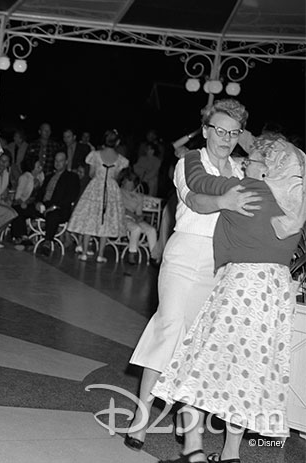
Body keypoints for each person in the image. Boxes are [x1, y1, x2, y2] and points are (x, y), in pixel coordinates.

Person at [152, 133, 306, 463]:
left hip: (243, 285)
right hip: (277, 290)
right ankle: (230, 455)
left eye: (250, 161)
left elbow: (198, 184)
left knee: (195, 364)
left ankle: (193, 453)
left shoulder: (245, 191)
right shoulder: (294, 202)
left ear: (267, 170)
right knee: (247, 374)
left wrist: (193, 152)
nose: (243, 162)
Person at [125, 99, 260, 457]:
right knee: (169, 329)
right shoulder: (189, 161)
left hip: (221, 262)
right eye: (219, 130)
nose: (225, 138)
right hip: (185, 255)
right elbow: (197, 199)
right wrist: (228, 200)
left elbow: (274, 163)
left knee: (198, 346)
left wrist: (251, 149)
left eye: (233, 132)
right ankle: (140, 418)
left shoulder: (243, 168)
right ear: (204, 130)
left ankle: (190, 431)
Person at [67, 129, 129, 262]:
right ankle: (100, 254)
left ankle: (84, 252)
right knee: (106, 221)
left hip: (95, 187)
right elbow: (117, 176)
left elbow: (91, 173)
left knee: (90, 218)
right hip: (111, 190)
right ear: (117, 142)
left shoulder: (94, 155)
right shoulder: (121, 160)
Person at [119, 168, 160, 264]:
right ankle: (132, 253)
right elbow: (121, 208)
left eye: (131, 182)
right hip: (122, 217)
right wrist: (134, 216)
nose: (129, 184)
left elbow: (139, 213)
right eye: (127, 181)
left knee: (151, 230)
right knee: (136, 228)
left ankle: (154, 256)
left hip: (134, 218)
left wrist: (140, 217)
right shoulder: (119, 192)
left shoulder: (138, 196)